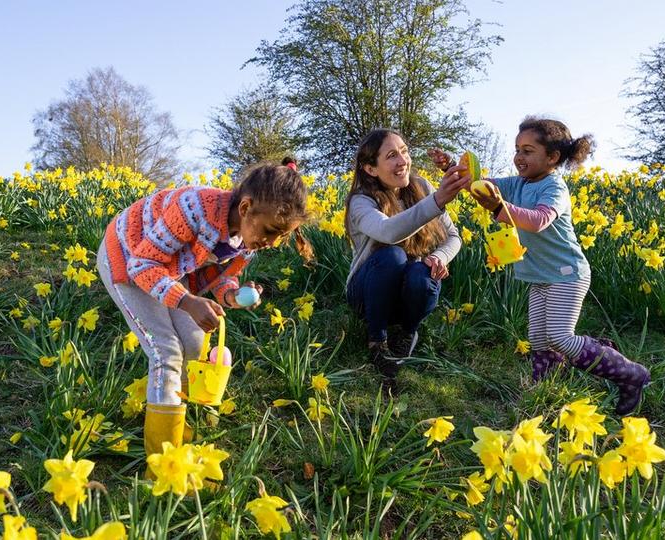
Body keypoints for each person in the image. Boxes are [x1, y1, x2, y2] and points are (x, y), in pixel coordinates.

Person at [97, 158, 308, 474]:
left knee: (195, 344)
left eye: (281, 236)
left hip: (166, 269)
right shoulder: (194, 208)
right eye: (270, 232)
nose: (272, 243)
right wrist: (187, 302)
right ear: (246, 208)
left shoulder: (248, 241)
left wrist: (233, 296)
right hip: (129, 257)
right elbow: (142, 265)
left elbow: (220, 278)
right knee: (165, 351)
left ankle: (182, 429)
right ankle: (163, 465)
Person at [449, 117, 649, 415]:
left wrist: (499, 208)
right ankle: (546, 393)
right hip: (539, 275)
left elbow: (539, 220)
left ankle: (632, 375)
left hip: (566, 275)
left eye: (528, 150)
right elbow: (481, 187)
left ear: (552, 157)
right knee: (539, 340)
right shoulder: (516, 184)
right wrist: (454, 169)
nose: (519, 157)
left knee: (559, 336)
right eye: (517, 149)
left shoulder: (554, 188)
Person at [344, 128, 466, 387]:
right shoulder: (361, 201)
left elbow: (453, 237)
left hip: (408, 289)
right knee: (392, 256)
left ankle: (407, 332)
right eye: (391, 156)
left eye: (404, 152)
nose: (403, 161)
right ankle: (377, 340)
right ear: (371, 169)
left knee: (422, 272)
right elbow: (387, 232)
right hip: (367, 293)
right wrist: (438, 200)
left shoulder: (421, 186)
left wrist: (439, 257)